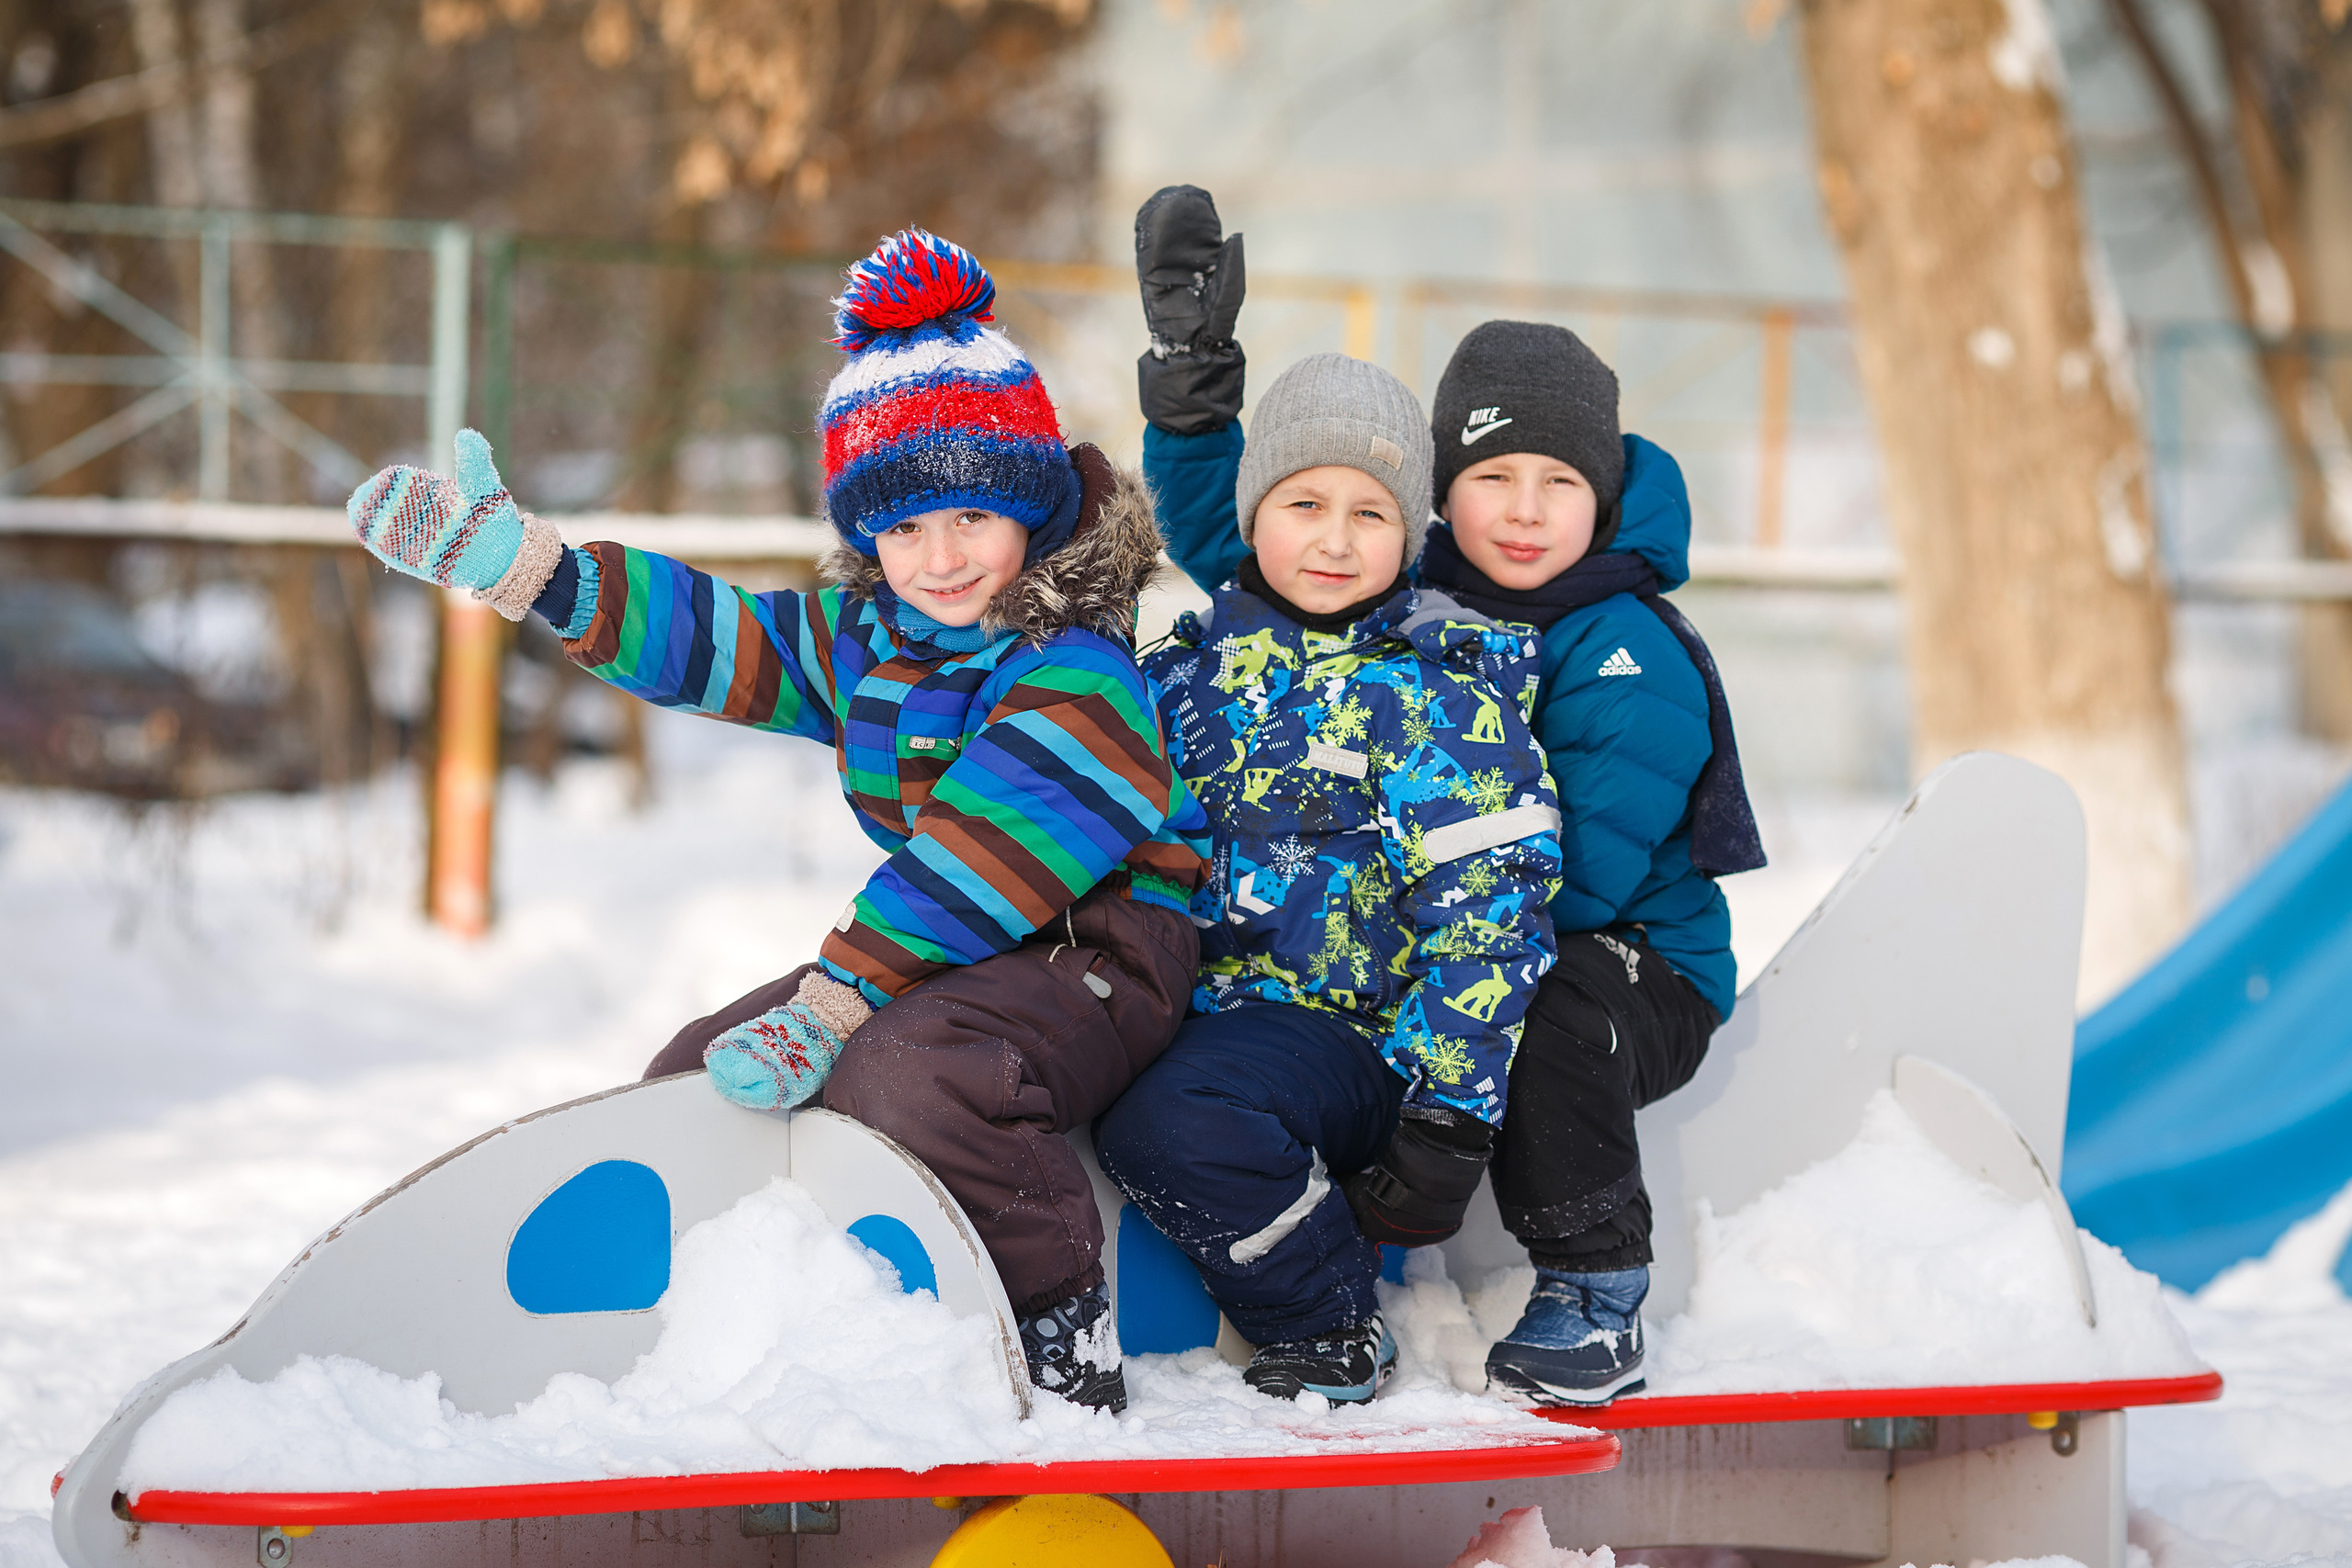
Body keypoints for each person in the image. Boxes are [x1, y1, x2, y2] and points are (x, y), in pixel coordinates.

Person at [345, 230, 1210, 1415]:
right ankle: (723, 1339)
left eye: (969, 518)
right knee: (696, 1077)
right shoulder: (878, 643)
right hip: (949, 954)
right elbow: (727, 641)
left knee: (916, 1073)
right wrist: (541, 573)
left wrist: (837, 997)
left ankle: (1058, 1334)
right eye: (903, 530)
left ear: (1033, 505)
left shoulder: (1081, 670)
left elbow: (982, 859)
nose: (939, 558)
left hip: (1102, 952)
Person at [1128, 186, 1765, 1406]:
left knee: (1551, 1000)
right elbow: (1251, 538)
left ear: (1605, 495)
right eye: (1492, 478)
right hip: (1453, 926)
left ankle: (1596, 1283)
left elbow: (1555, 885)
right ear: (1444, 497)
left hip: (1625, 948)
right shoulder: (1414, 591)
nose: (1523, 512)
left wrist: (1352, 904)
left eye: (1557, 484)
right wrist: (1194, 386)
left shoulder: (1620, 649)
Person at [1092, 349, 1564, 1405]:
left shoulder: (1436, 696)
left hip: (1346, 1037)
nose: (1338, 539)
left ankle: (1328, 1320)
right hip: (1181, 1005)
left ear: (1411, 535)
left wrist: (1446, 1112)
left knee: (1169, 1115)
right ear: (1254, 512)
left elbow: (1490, 908)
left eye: (1373, 513)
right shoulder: (1177, 677)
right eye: (1305, 502)